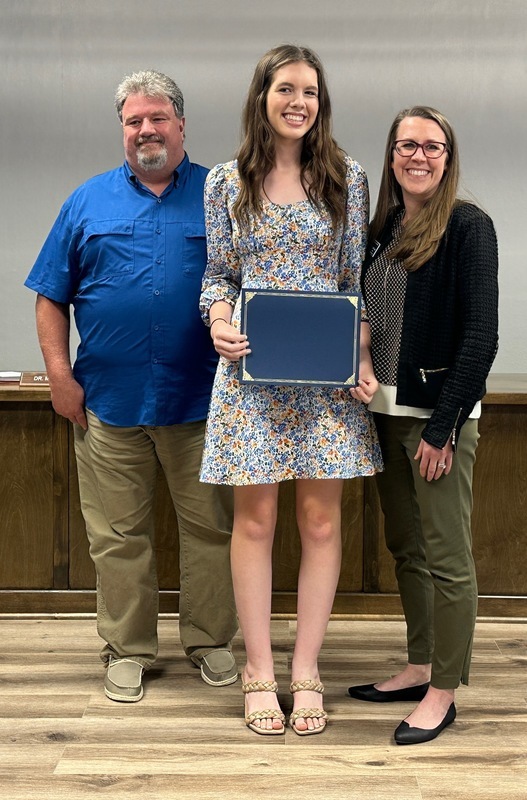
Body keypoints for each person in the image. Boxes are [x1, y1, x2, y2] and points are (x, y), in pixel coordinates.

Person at [24, 70, 238, 702]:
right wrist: (59, 375)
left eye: (157, 117)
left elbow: (251, 284)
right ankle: (127, 648)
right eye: (133, 120)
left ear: (181, 124)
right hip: (108, 406)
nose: (146, 129)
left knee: (212, 533)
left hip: (203, 404)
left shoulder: (222, 196)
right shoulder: (86, 201)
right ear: (123, 128)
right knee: (117, 537)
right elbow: (50, 295)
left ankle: (211, 642)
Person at [199, 44, 383, 736]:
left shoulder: (347, 177)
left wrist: (361, 358)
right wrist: (219, 321)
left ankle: (306, 669)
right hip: (250, 376)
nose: (298, 102)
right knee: (254, 522)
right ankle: (258, 671)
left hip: (325, 379)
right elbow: (218, 275)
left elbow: (353, 281)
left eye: (309, 91)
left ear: (320, 102)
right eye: (285, 89)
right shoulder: (226, 182)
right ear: (262, 97)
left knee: (320, 523)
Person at [348, 106, 499, 744]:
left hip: (435, 422)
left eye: (432, 146)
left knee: (447, 558)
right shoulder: (382, 227)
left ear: (447, 157)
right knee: (406, 548)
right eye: (407, 145)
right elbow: (363, 309)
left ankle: (444, 691)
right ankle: (419, 664)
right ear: (391, 156)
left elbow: (482, 337)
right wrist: (358, 362)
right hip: (383, 413)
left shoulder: (468, 225)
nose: (419, 156)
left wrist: (443, 427)